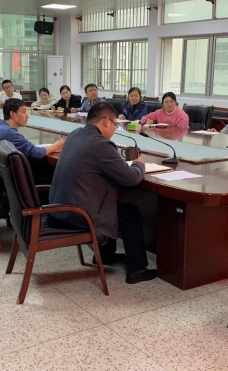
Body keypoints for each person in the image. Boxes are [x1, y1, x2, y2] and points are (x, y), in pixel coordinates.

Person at [48, 102, 157, 284]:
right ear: (107, 121)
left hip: (58, 208)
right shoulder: (101, 145)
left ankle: (106, 255)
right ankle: (137, 270)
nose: (114, 129)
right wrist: (139, 164)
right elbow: (131, 178)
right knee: (129, 213)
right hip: (77, 215)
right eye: (115, 124)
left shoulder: (75, 134)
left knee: (110, 203)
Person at [0, 98, 63, 175]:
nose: (27, 116)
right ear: (12, 114)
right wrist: (55, 146)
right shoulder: (8, 132)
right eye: (23, 112)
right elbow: (35, 152)